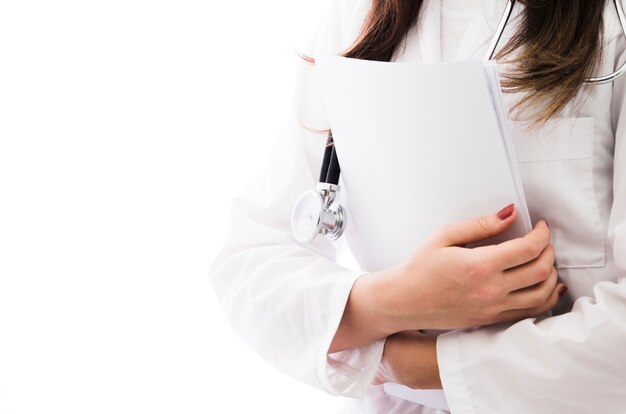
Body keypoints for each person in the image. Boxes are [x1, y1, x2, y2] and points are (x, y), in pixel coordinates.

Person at [209, 0, 626, 412]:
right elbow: (251, 263)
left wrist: (410, 364)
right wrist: (393, 301)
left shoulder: (614, 22)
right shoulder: (360, 16)